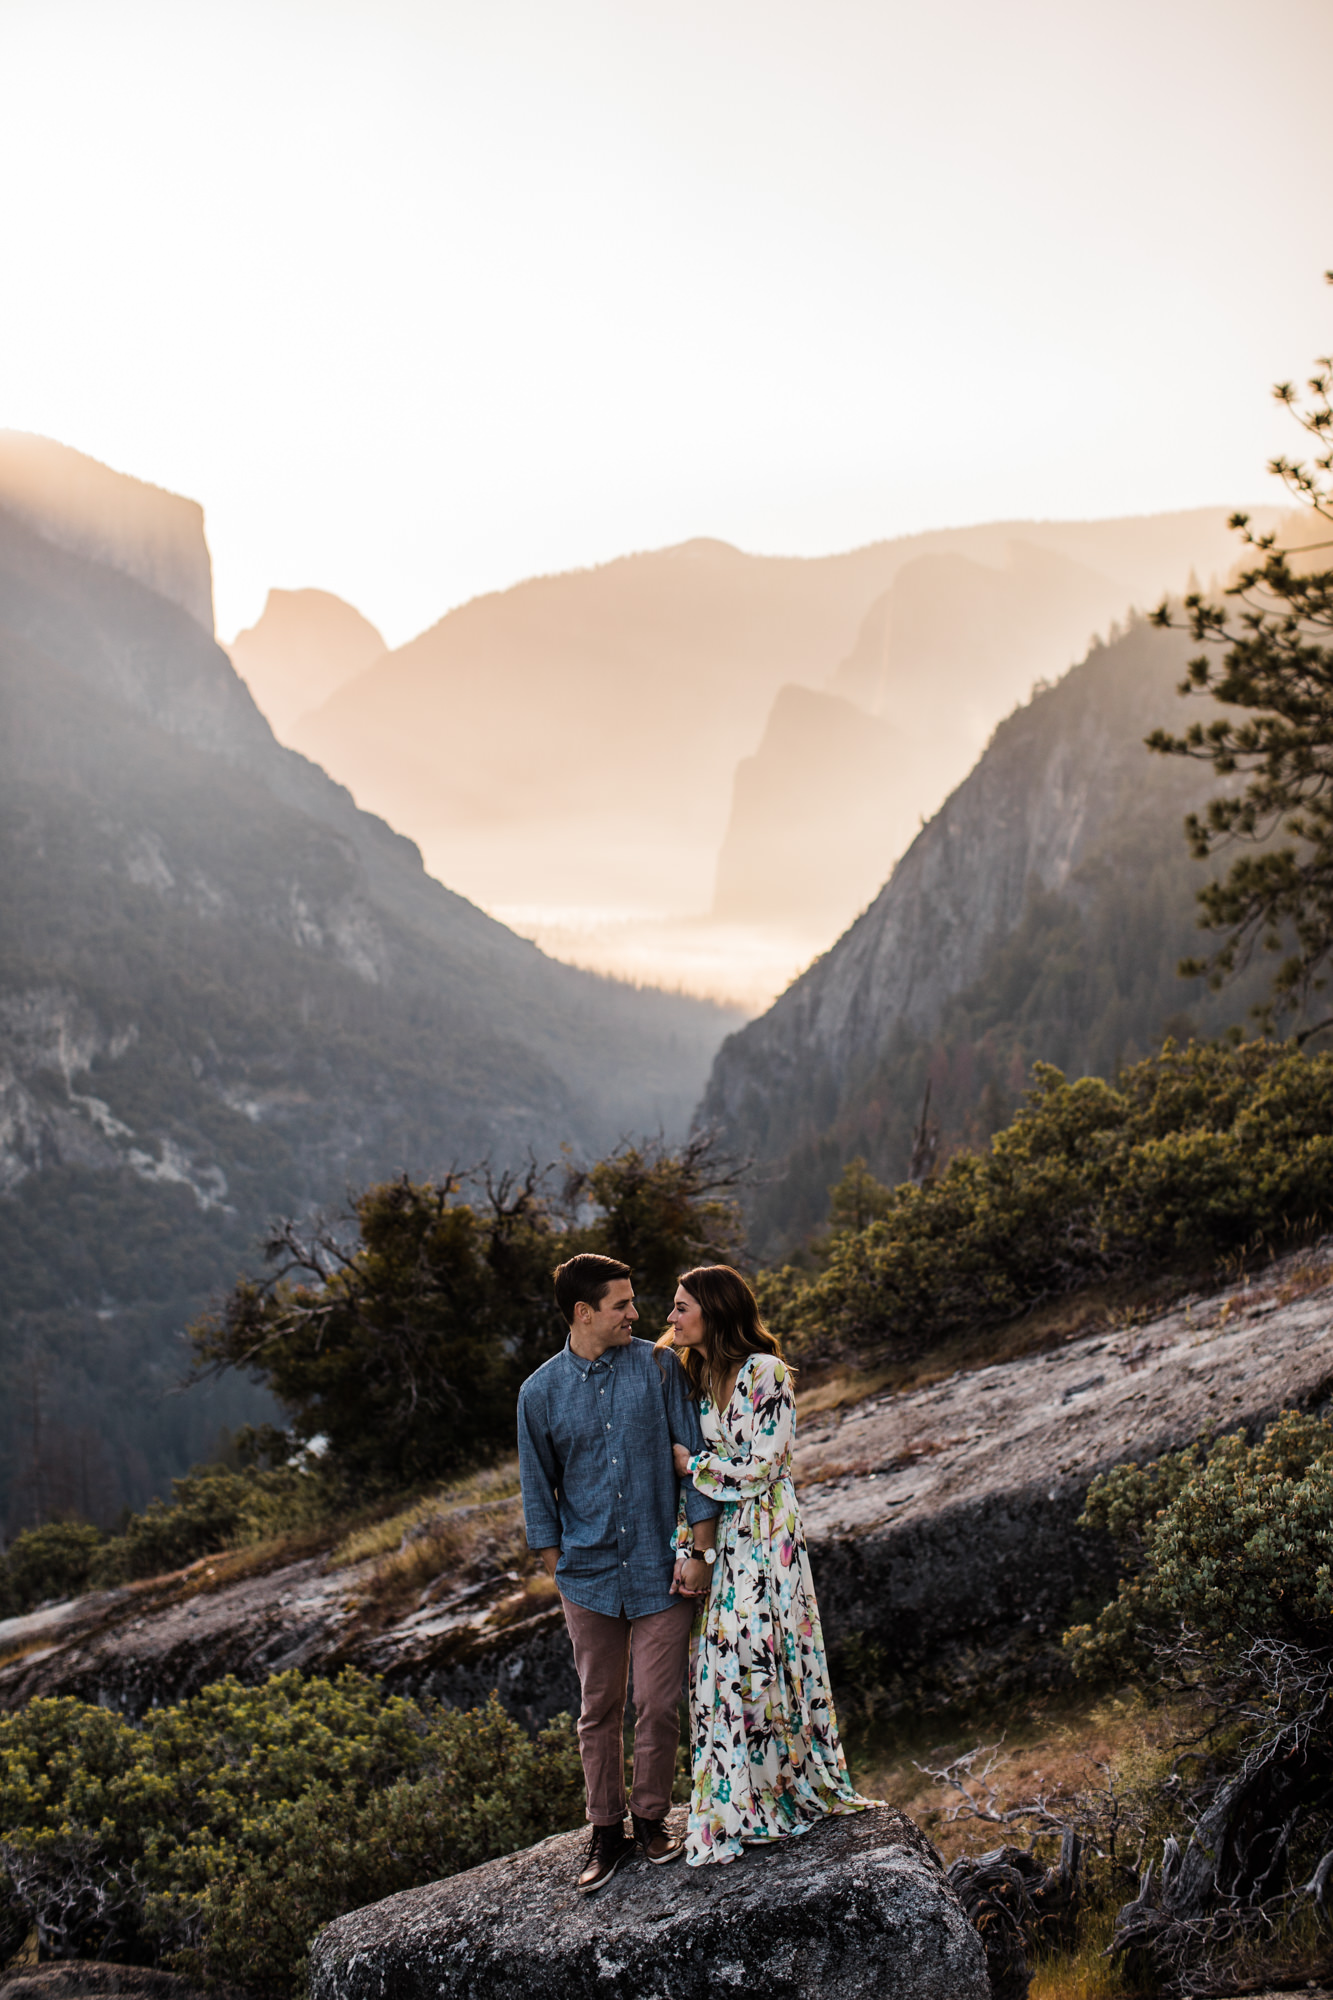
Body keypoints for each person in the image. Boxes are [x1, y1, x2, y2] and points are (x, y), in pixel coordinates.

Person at [517, 1251, 721, 1894]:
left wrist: (698, 1551)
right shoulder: (538, 1393)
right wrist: (560, 1569)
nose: (638, 1314)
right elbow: (536, 1491)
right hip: (589, 1578)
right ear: (584, 1313)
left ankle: (652, 1818)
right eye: (622, 1305)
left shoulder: (661, 1367)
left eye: (635, 1302)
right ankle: (605, 1830)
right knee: (598, 1708)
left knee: (658, 1704)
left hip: (664, 1571)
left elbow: (698, 1465)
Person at [663, 1263, 870, 1866]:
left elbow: (763, 1467)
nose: (671, 1317)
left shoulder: (767, 1372)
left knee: (765, 1658)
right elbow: (693, 1489)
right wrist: (689, 1548)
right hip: (722, 1543)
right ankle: (736, 1801)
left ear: (715, 1310)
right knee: (723, 1667)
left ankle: (784, 1788)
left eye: (681, 1307)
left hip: (769, 1538)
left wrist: (693, 1467)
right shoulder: (695, 1377)